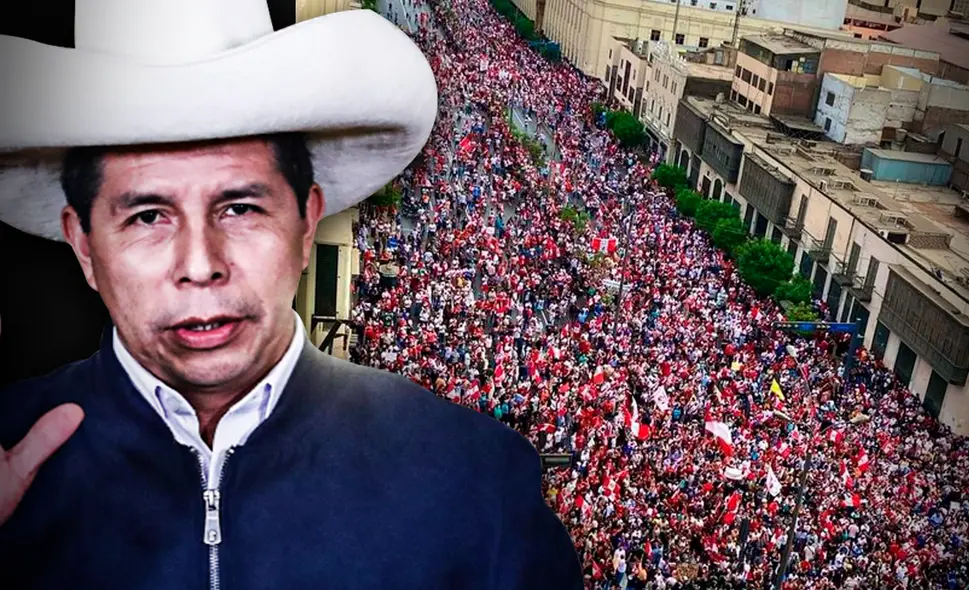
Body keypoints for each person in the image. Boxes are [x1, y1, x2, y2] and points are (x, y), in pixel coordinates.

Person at [0, 0, 583, 588]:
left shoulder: (473, 483)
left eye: (240, 208)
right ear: (83, 244)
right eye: (149, 216)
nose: (201, 266)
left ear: (307, 225)